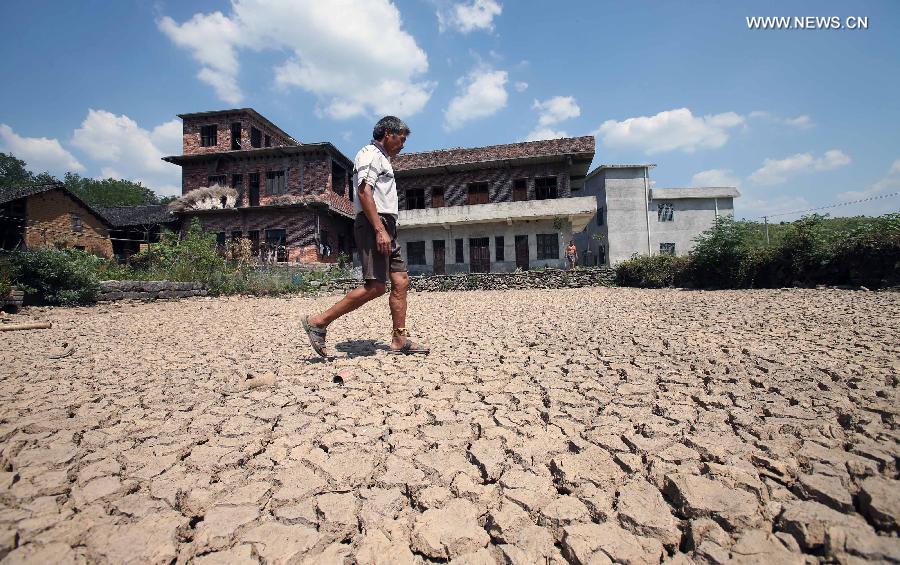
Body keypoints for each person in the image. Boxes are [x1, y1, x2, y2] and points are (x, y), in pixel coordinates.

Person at [301, 116, 429, 357]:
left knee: (401, 280)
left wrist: (387, 229)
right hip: (374, 224)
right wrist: (380, 230)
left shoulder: (383, 159)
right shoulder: (369, 154)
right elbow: (363, 190)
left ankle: (399, 338)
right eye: (401, 139)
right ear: (388, 133)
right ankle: (318, 322)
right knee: (376, 287)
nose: (403, 145)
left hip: (387, 225)